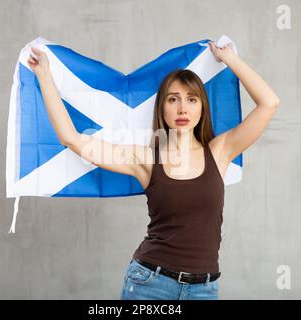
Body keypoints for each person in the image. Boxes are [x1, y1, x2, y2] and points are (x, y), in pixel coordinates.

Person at [27, 40, 280, 300]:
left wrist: (229, 59)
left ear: (202, 108)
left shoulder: (220, 151)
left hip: (205, 289)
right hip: (150, 284)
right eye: (173, 99)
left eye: (192, 99)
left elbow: (269, 103)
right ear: (162, 108)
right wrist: (44, 75)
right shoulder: (146, 159)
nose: (183, 108)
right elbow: (72, 139)